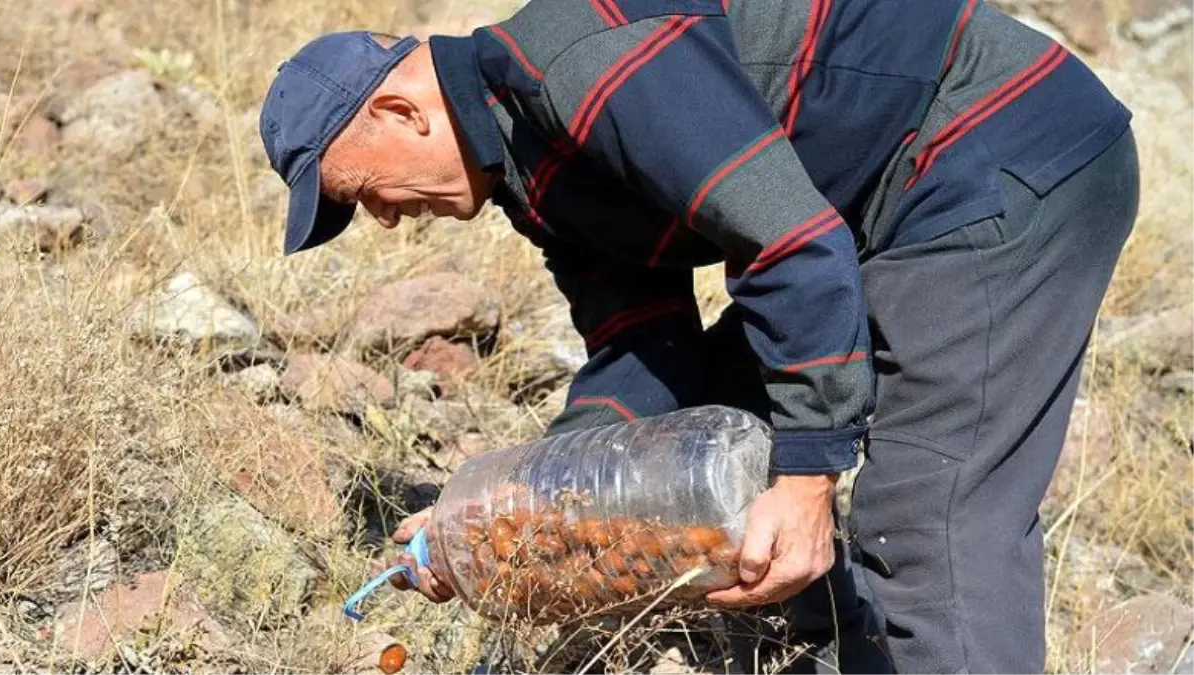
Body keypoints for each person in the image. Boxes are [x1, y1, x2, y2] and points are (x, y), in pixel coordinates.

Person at [257, 0, 1140, 670]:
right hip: (877, 208)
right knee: (710, 453)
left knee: (927, 516)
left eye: (360, 191)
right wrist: (503, 517)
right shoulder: (531, 176)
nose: (378, 220)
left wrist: (805, 478)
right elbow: (646, 353)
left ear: (401, 111)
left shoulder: (582, 62)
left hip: (997, 147)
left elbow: (789, 244)